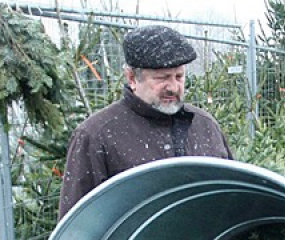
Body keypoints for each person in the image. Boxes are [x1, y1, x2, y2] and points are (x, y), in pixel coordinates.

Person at [58, 25, 233, 219]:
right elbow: (75, 226)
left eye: (179, 76)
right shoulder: (96, 135)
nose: (173, 87)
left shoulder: (205, 126)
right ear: (132, 77)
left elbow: (233, 196)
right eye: (162, 78)